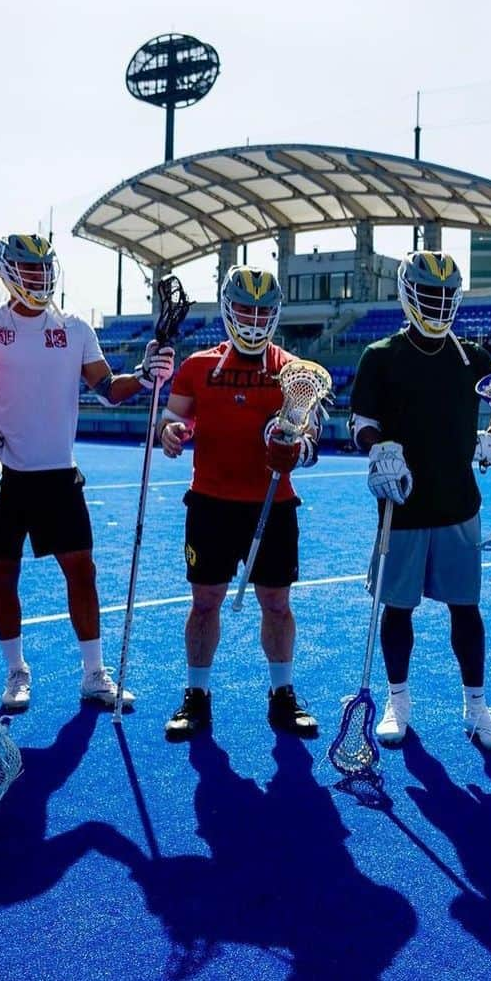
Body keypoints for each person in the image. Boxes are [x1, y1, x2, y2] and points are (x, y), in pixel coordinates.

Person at [0, 233, 174, 712]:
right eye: (29, 268)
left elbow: (106, 388)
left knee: (83, 572)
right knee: (3, 577)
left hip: (59, 473)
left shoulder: (75, 327)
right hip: (1, 474)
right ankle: (17, 671)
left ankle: (94, 672)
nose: (38, 277)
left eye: (43, 268)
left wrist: (142, 376)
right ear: (8, 271)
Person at [348, 250, 491, 750]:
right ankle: (399, 704)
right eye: (430, 294)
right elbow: (361, 425)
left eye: (446, 295)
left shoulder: (471, 357)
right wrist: (380, 447)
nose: (438, 304)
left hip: (460, 505)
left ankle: (477, 709)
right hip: (403, 509)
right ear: (408, 294)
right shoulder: (381, 356)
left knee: (467, 609)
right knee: (398, 610)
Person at [159, 265, 321, 741]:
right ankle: (196, 695)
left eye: (262, 311)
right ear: (228, 309)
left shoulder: (295, 372)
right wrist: (169, 434)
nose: (253, 319)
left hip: (273, 505)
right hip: (210, 503)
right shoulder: (196, 367)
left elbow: (309, 443)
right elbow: (170, 423)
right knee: (204, 602)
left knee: (276, 603)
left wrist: (295, 450)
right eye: (245, 309)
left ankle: (283, 693)